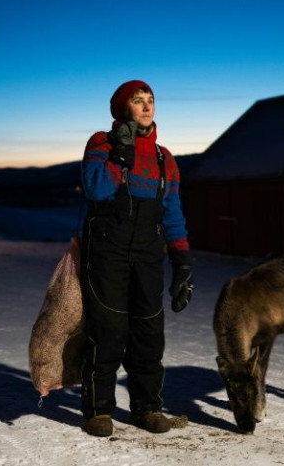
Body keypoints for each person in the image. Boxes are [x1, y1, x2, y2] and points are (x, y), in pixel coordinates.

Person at [79, 79, 194, 437]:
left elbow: (172, 212)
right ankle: (99, 411)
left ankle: (147, 408)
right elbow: (96, 188)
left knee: (148, 331)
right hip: (108, 248)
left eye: (151, 100)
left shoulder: (165, 159)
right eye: (137, 101)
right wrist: (119, 156)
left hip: (147, 250)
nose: (146, 107)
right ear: (121, 108)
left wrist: (182, 262)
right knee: (109, 328)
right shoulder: (101, 142)